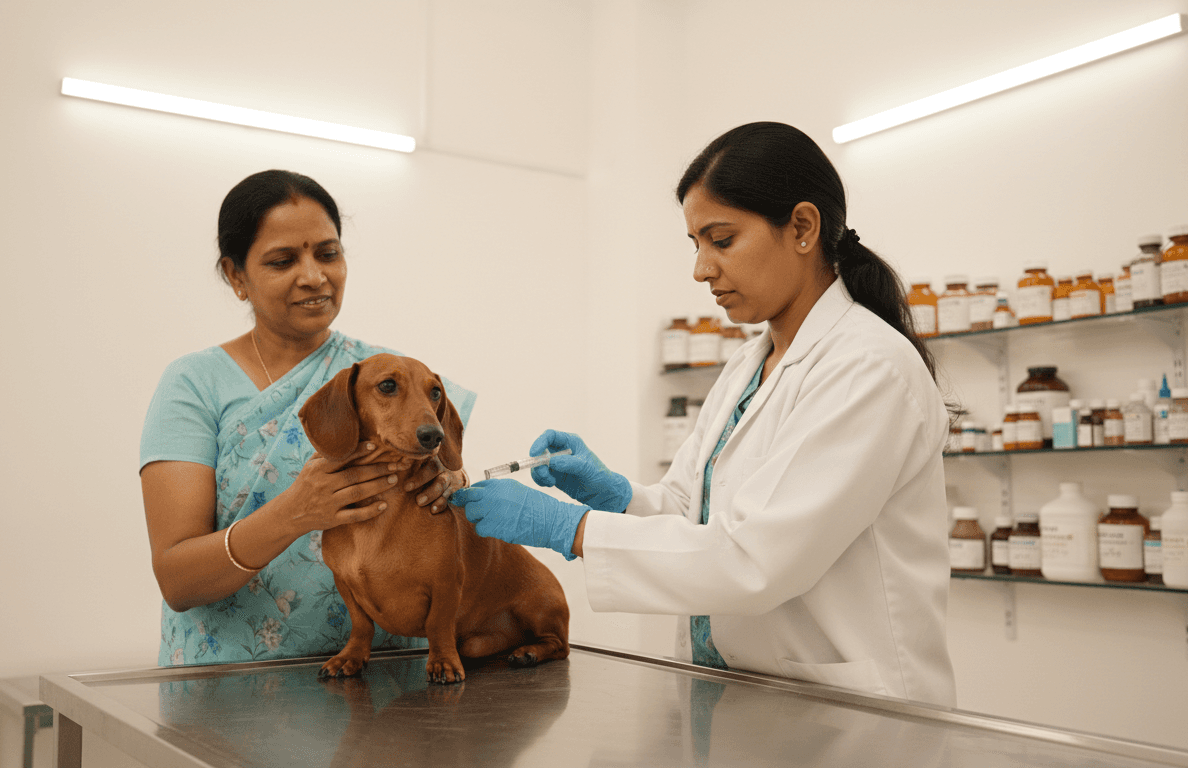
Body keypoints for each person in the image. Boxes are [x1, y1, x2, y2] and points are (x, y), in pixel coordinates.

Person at [451, 122, 957, 706]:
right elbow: (697, 514)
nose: (701, 268)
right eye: (695, 244)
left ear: (802, 227)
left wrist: (568, 529)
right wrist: (619, 497)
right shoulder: (749, 363)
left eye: (721, 240)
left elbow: (754, 558)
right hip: (744, 696)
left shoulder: (872, 369)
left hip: (854, 714)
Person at [140, 170, 475, 666]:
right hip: (234, 690)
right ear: (236, 277)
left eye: (328, 253)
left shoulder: (393, 376)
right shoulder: (193, 384)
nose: (314, 276)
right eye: (282, 260)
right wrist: (293, 513)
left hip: (388, 681)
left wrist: (453, 484)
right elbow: (178, 580)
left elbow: (450, 519)